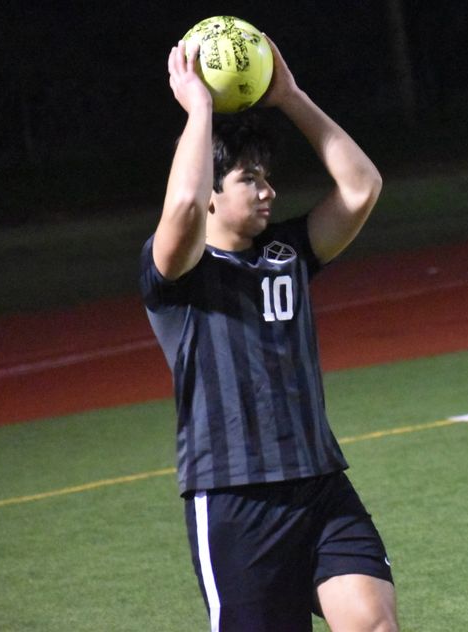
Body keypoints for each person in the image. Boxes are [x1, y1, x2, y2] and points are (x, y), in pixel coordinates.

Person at [140, 33, 395, 632]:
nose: (267, 191)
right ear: (210, 193)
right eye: (248, 179)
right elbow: (179, 209)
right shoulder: (176, 269)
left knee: (374, 625)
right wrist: (199, 109)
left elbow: (361, 188)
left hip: (319, 482)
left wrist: (292, 96)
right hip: (235, 497)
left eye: (266, 177)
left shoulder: (289, 252)